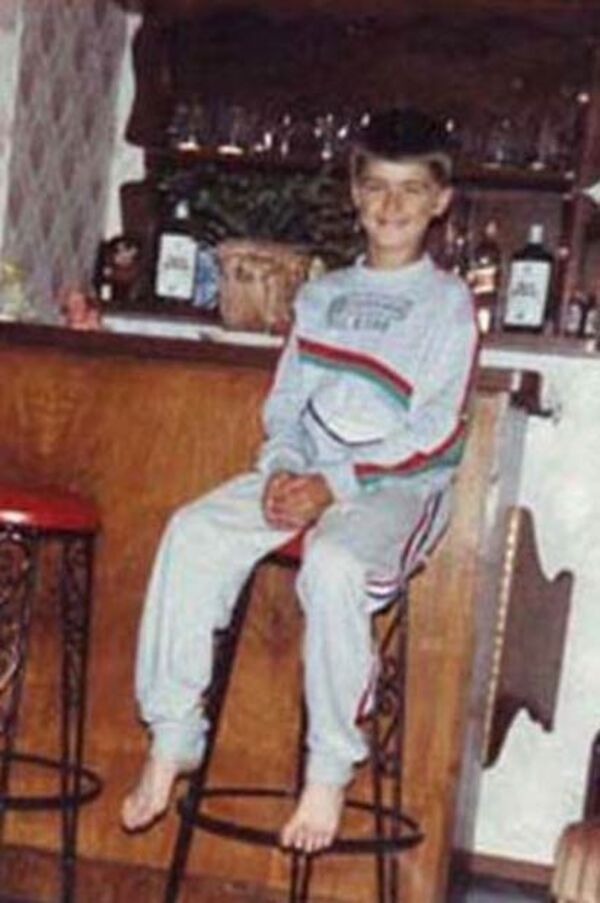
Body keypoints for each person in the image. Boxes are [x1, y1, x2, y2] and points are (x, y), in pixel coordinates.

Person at [120, 107, 479, 853]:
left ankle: (328, 769)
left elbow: (436, 432)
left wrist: (334, 484)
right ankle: (175, 735)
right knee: (194, 531)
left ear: (440, 202)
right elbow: (285, 401)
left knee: (335, 562)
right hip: (306, 473)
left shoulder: (447, 306)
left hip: (397, 488)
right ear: (354, 192)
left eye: (411, 190)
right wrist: (285, 464)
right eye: (376, 187)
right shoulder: (322, 294)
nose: (391, 205)